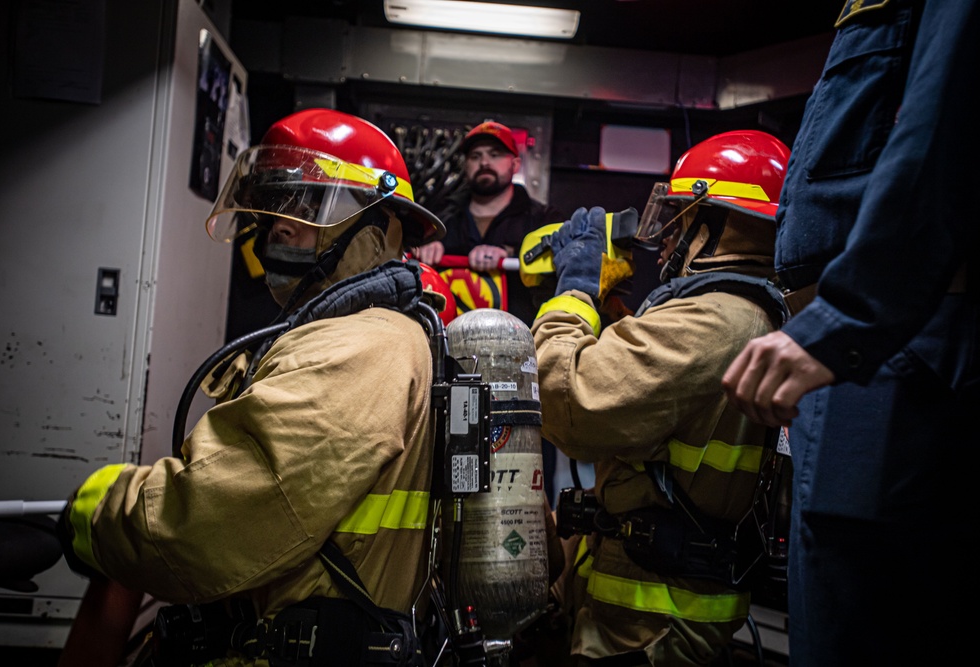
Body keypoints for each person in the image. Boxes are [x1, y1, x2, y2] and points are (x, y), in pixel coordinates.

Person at [56, 108, 446, 666]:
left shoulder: (360, 348)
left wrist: (95, 512)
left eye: (307, 204)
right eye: (274, 205)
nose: (278, 225)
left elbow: (215, 520)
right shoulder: (343, 338)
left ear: (377, 229)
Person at [721, 2, 978, 666]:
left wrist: (845, 318)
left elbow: (941, 126)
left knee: (861, 628)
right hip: (863, 343)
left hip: (893, 344)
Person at [532, 130, 791, 665]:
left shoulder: (715, 321)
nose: (665, 242)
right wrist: (608, 310)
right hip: (640, 608)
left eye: (678, 221)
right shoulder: (737, 315)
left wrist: (574, 291)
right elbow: (647, 391)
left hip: (647, 628)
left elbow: (569, 401)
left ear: (720, 225)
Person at [412, 120, 564, 326]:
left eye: (495, 154)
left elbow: (564, 256)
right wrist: (425, 245)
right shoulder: (438, 218)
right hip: (446, 342)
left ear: (515, 164)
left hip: (521, 339)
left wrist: (510, 252)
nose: (484, 162)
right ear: (466, 165)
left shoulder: (543, 218)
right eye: (475, 156)